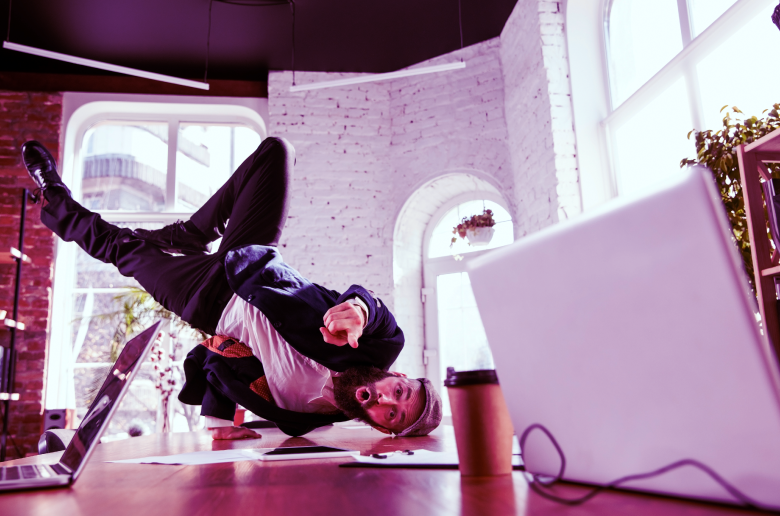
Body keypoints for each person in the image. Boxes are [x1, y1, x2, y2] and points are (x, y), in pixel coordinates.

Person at [21, 137, 442, 439]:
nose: (386, 401)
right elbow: (375, 308)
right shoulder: (380, 345)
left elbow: (217, 369)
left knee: (121, 249)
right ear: (399, 376)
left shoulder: (299, 418)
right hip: (251, 262)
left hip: (201, 300)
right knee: (275, 152)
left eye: (392, 416)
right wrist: (358, 311)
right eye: (399, 394)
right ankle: (189, 232)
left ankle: (53, 194)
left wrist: (219, 426)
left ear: (380, 429)